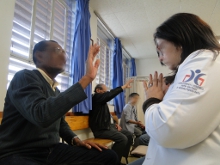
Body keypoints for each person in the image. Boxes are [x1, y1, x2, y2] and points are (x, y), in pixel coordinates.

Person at [0, 40, 119, 165]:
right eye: (58, 50)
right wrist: (87, 78)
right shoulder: (24, 77)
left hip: (52, 151)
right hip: (19, 153)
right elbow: (41, 115)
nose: (64, 55)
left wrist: (76, 140)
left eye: (64, 52)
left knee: (108, 156)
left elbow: (61, 124)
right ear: (39, 55)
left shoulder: (56, 91)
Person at [142, 13, 220, 165]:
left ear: (179, 38)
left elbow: (167, 130)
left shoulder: (205, 60)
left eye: (160, 49)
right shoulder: (198, 64)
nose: (160, 58)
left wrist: (152, 100)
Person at [89, 81, 133, 164]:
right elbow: (110, 95)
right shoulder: (96, 97)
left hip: (108, 127)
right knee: (122, 138)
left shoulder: (102, 102)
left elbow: (105, 117)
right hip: (101, 130)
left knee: (129, 134)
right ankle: (113, 162)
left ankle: (121, 156)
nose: (106, 94)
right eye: (105, 92)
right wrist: (122, 87)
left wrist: (114, 124)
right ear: (98, 90)